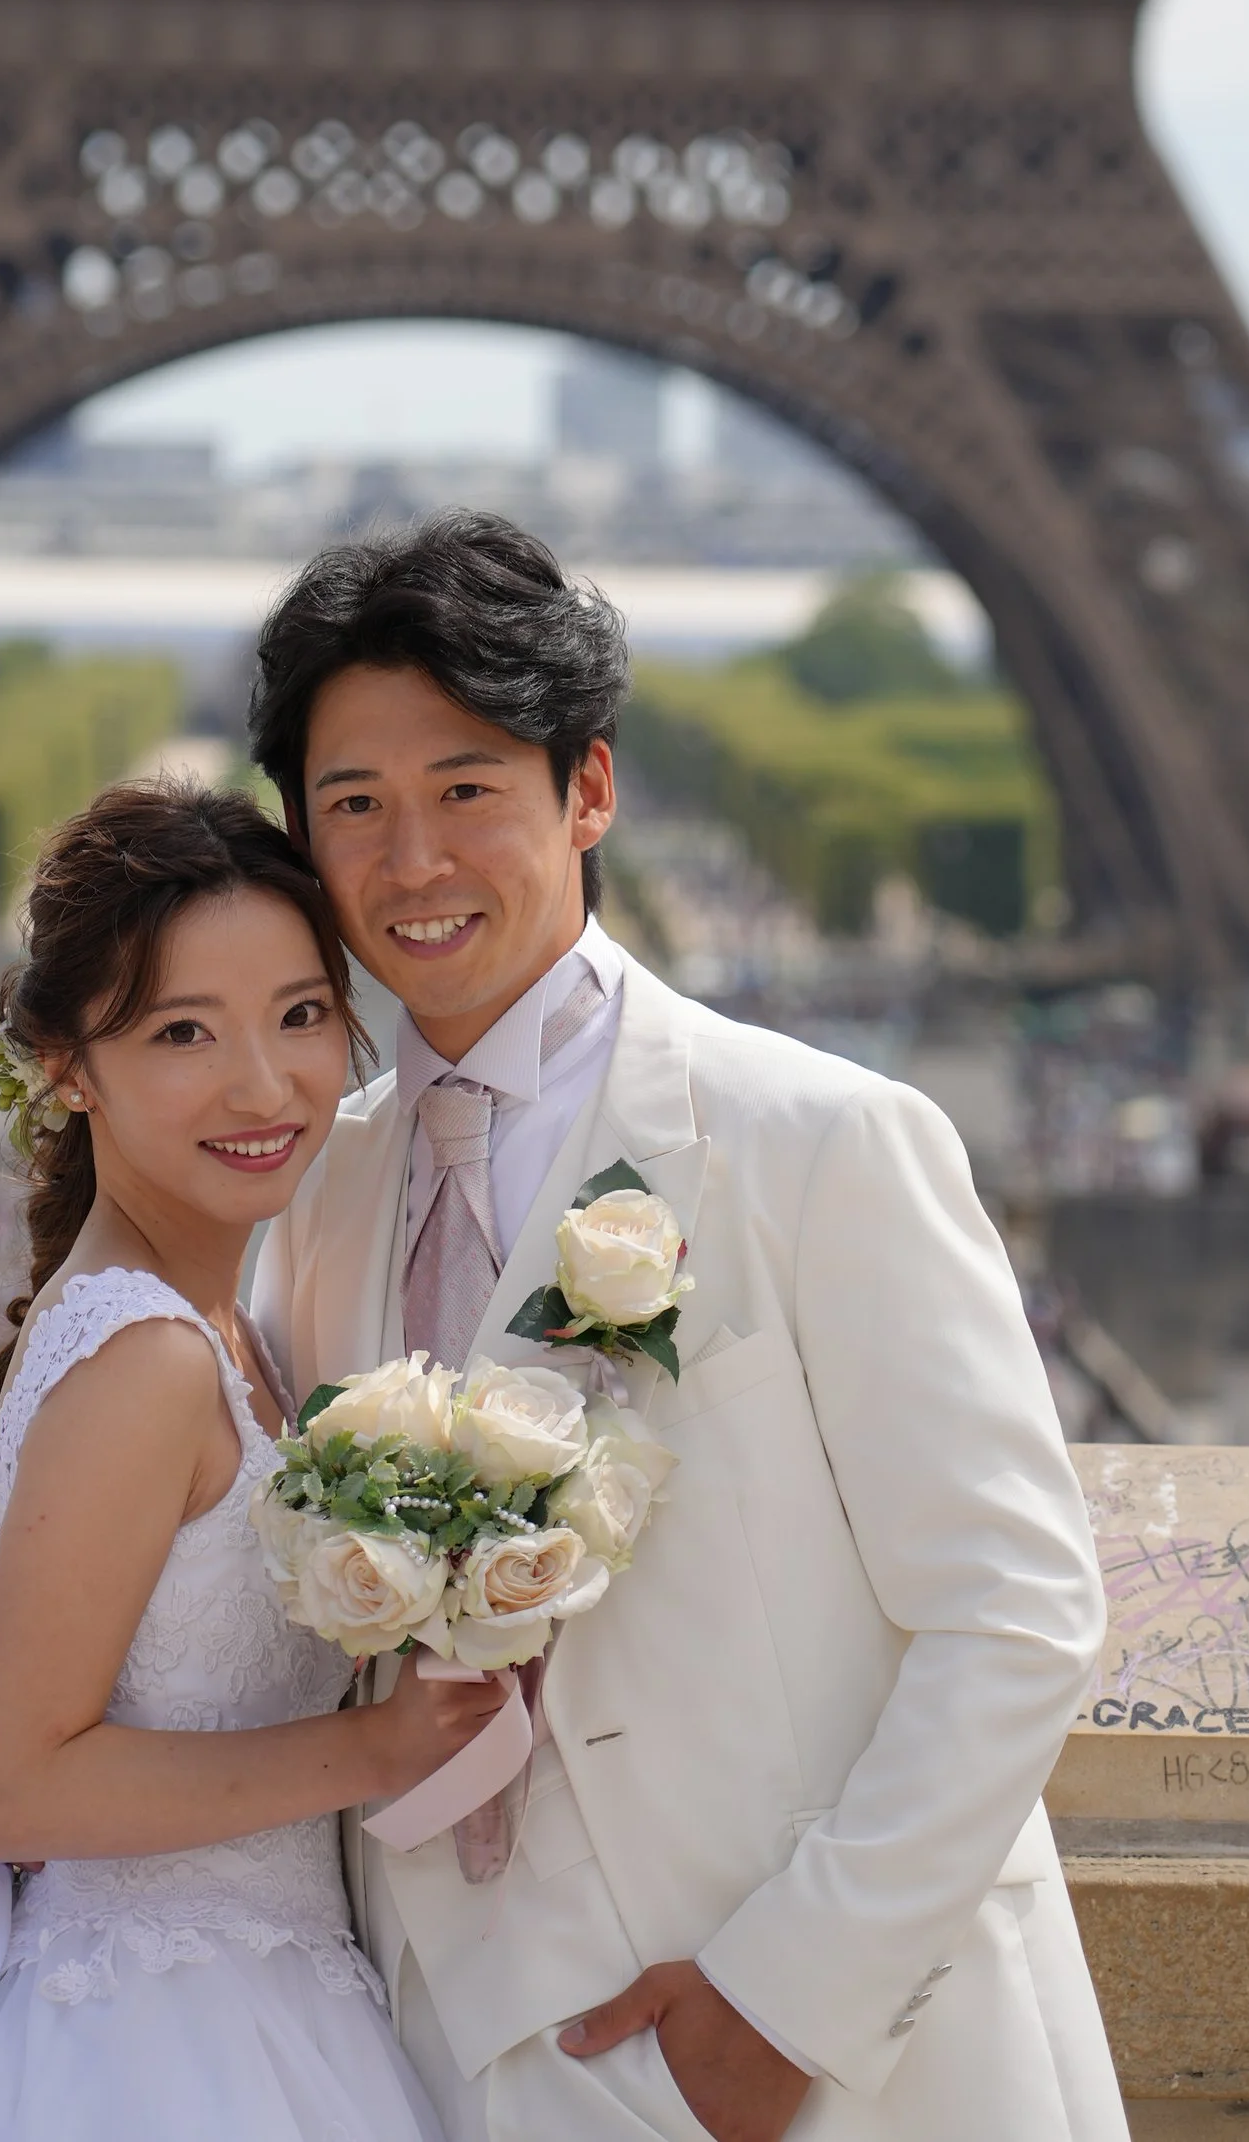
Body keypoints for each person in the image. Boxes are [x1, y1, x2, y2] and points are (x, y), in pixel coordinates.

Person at [249, 511, 1127, 2142]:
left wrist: (783, 2005)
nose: (409, 859)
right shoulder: (317, 1190)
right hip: (440, 2057)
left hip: (804, 2062)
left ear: (589, 790)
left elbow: (1017, 1610)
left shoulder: (822, 1140)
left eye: (465, 791)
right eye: (352, 804)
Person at [0, 783, 492, 2142]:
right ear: (64, 1064)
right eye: (183, 1032)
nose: (265, 1083)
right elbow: (12, 1788)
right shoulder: (151, 1356)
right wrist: (372, 1744)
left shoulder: (218, 1318)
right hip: (177, 2043)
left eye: (300, 1013)